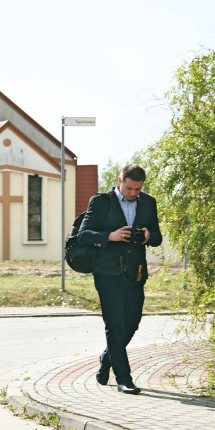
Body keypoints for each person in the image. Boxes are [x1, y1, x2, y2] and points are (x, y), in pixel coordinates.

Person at [77, 163, 162, 395]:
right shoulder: (100, 201)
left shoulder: (149, 202)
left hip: (135, 273)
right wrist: (110, 236)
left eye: (138, 189)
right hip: (107, 272)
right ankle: (124, 379)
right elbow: (83, 235)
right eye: (130, 188)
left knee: (132, 323)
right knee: (115, 325)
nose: (134, 193)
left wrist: (147, 236)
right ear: (120, 180)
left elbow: (157, 237)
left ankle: (106, 358)